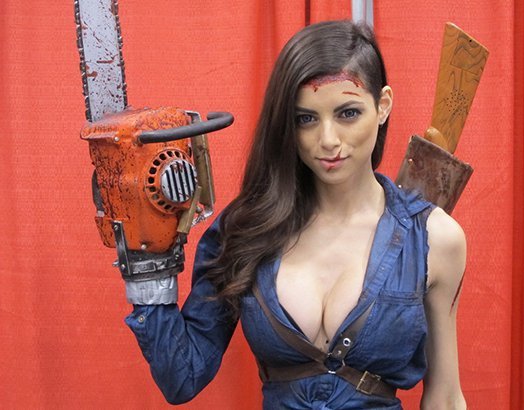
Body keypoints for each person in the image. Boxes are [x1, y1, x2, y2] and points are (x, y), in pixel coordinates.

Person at [124, 20, 467, 409]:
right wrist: (146, 264)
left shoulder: (434, 238)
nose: (328, 140)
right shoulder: (246, 228)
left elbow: (445, 397)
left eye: (348, 113)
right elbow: (181, 377)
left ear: (383, 105)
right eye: (306, 118)